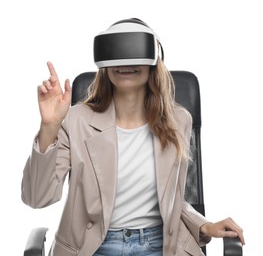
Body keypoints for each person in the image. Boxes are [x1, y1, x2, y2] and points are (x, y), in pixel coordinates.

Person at [21, 18, 245, 256]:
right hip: (93, 245)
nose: (126, 62)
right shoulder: (76, 120)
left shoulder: (179, 121)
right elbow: (37, 198)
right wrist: (49, 127)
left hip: (160, 244)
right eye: (117, 53)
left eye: (135, 51)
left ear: (153, 61)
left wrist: (204, 225)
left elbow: (173, 199)